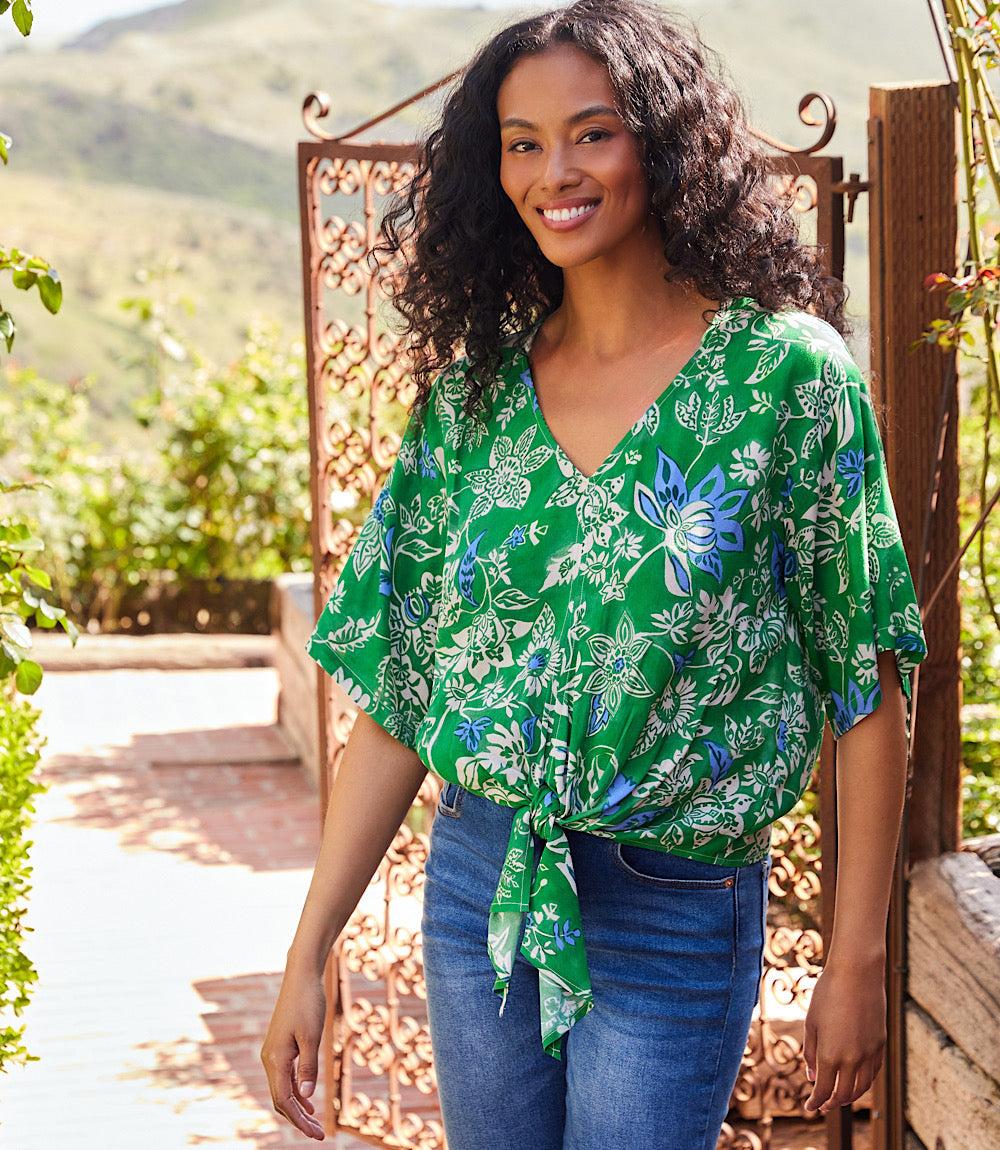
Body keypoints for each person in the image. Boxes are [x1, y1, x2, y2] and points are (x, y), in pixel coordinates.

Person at [261, 2, 929, 1146]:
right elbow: (401, 695)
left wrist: (856, 958)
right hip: (482, 881)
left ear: (663, 144)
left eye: (591, 133)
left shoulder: (782, 382)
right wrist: (310, 946)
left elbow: (864, 687)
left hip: (675, 905)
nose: (551, 173)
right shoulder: (471, 405)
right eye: (521, 143)